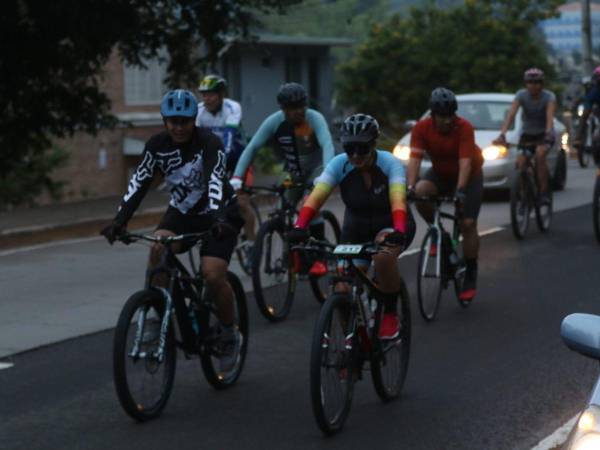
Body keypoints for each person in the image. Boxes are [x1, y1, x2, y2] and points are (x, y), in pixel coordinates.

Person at [100, 89, 244, 372]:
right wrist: (120, 221)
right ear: (165, 121)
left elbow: (215, 181)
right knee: (158, 249)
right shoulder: (156, 145)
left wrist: (216, 219)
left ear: (194, 120)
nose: (179, 127)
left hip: (220, 212)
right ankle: (155, 319)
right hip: (182, 212)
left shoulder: (208, 143)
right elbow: (139, 182)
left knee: (213, 274)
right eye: (173, 121)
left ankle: (229, 333)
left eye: (185, 122)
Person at [289, 114, 416, 339]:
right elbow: (317, 197)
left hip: (392, 223)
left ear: (374, 145)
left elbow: (398, 199)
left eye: (362, 148)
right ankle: (353, 344)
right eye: (350, 148)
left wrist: (398, 231)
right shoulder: (339, 164)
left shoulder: (389, 163)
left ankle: (389, 312)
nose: (356, 155)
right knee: (341, 287)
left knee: (383, 257)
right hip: (356, 229)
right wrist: (299, 226)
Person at [231, 82, 335, 257]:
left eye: (302, 106)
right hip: (293, 171)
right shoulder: (274, 121)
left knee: (309, 206)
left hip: (317, 170)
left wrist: (327, 173)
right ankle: (292, 250)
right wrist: (237, 177)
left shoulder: (315, 118)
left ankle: (320, 253)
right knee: (281, 210)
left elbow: (327, 144)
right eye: (293, 108)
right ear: (283, 109)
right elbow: (252, 148)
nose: (299, 111)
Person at [407, 87, 484, 302]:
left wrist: (460, 191)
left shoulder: (464, 127)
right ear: (432, 115)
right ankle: (438, 232)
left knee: (468, 223)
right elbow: (415, 159)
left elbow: (466, 163)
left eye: (451, 114)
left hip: (469, 176)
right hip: (440, 173)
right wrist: (411, 187)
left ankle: (470, 272)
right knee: (422, 192)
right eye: (443, 116)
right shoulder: (421, 128)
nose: (448, 120)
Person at [195, 74, 256, 243]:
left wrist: (218, 164)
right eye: (204, 95)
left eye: (211, 94)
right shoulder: (199, 111)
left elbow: (229, 138)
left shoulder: (232, 107)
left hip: (237, 158)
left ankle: (252, 243)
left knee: (242, 203)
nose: (207, 99)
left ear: (221, 94)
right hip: (214, 158)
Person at [494, 67, 557, 202]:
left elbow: (549, 117)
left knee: (540, 156)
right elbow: (511, 115)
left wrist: (547, 133)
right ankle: (523, 195)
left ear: (542, 84)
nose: (533, 86)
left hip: (544, 134)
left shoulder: (549, 97)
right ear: (525, 84)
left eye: (537, 82)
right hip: (527, 134)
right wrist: (502, 134)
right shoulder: (521, 95)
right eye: (530, 82)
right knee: (521, 162)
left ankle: (544, 192)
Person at [574, 66, 600, 165]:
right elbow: (586, 99)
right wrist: (575, 104)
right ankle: (578, 138)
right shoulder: (592, 89)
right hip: (593, 108)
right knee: (583, 116)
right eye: (597, 77)